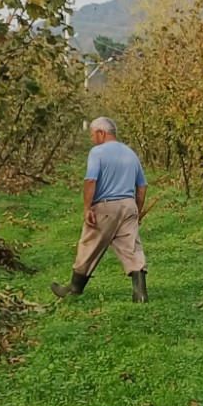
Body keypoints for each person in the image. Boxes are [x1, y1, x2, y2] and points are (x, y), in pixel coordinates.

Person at [51, 116, 148, 303]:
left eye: (92, 134)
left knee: (89, 244)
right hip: (128, 205)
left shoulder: (97, 152)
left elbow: (90, 181)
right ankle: (140, 294)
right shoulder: (131, 153)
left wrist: (88, 208)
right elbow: (142, 186)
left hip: (105, 206)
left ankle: (74, 288)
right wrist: (137, 210)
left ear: (101, 133)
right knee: (132, 248)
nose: (91, 138)